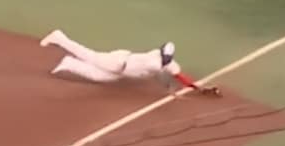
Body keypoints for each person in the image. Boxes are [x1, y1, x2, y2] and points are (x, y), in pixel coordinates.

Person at [39, 29, 220, 96]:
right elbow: (161, 77)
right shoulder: (154, 61)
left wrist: (198, 88)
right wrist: (168, 88)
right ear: (162, 51)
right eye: (165, 57)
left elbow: (180, 76)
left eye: (168, 58)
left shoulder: (168, 63)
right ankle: (59, 37)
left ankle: (69, 63)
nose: (166, 60)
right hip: (117, 62)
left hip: (120, 70)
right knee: (86, 54)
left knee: (98, 77)